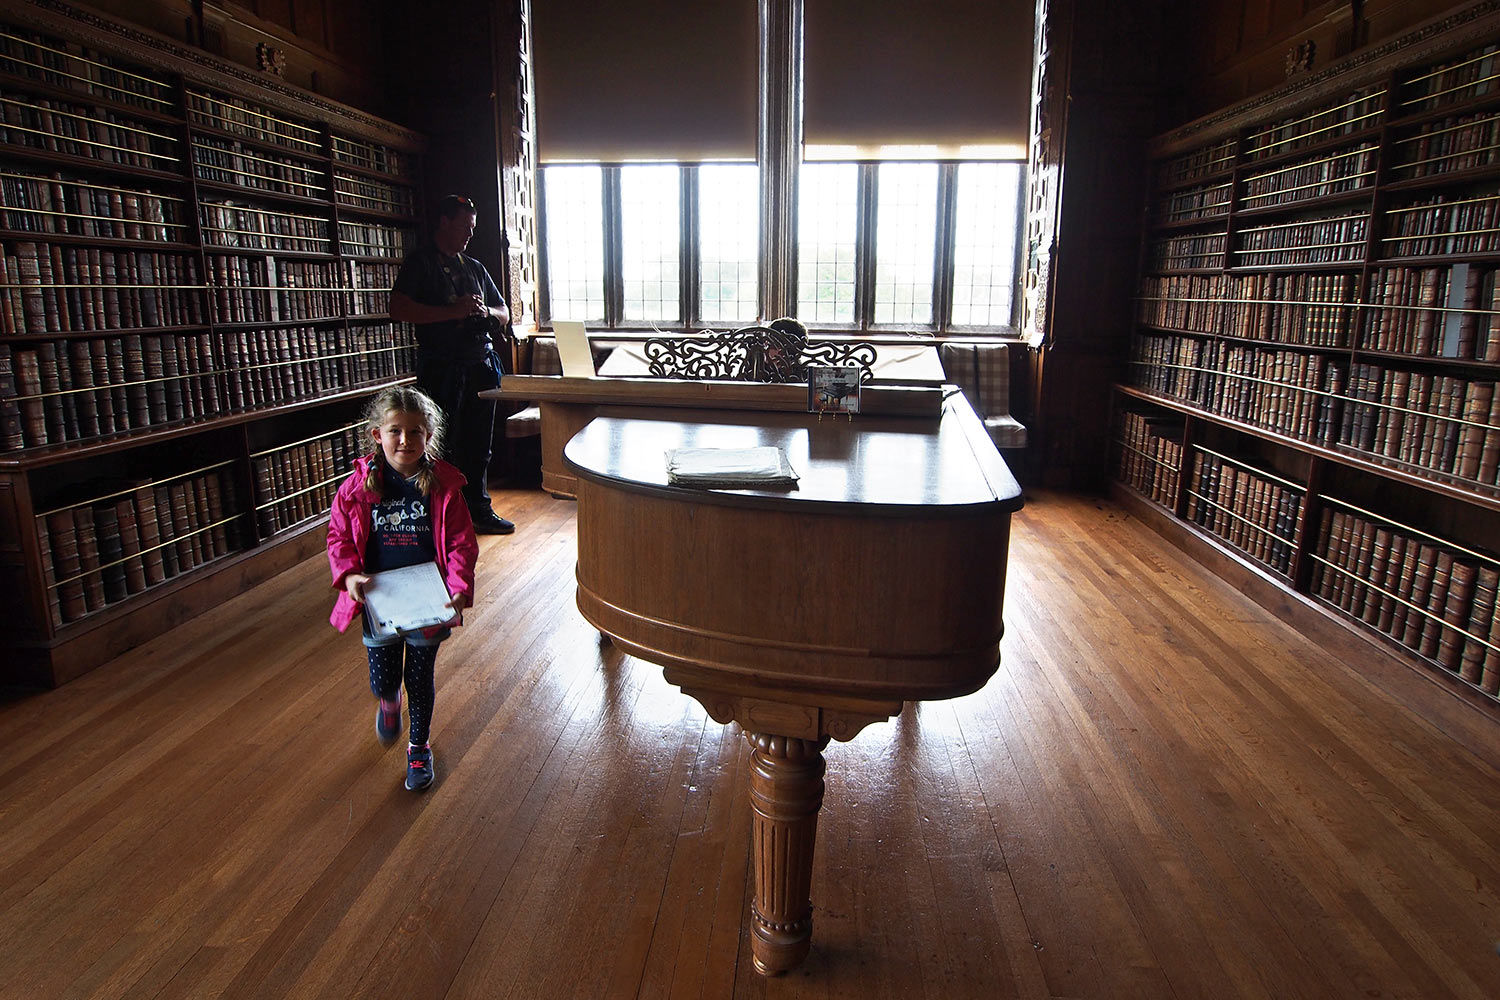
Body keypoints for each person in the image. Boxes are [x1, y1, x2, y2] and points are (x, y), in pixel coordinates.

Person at [327, 385, 479, 792]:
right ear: (378, 435)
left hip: (429, 598)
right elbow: (339, 536)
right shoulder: (358, 487)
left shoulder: (444, 485)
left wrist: (460, 587)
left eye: (415, 432)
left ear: (429, 437)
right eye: (395, 431)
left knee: (420, 677)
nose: (405, 441)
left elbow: (462, 542)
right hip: (381, 599)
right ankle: (389, 704)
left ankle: (418, 746)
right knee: (385, 679)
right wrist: (349, 576)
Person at [389, 194, 515, 534]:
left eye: (472, 229)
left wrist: (482, 311)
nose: (469, 236)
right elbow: (398, 309)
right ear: (444, 222)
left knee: (479, 446)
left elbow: (503, 312)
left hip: (480, 365)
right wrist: (452, 312)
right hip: (442, 367)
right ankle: (440, 517)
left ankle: (479, 509)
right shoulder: (420, 264)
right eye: (464, 227)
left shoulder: (474, 267)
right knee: (438, 444)